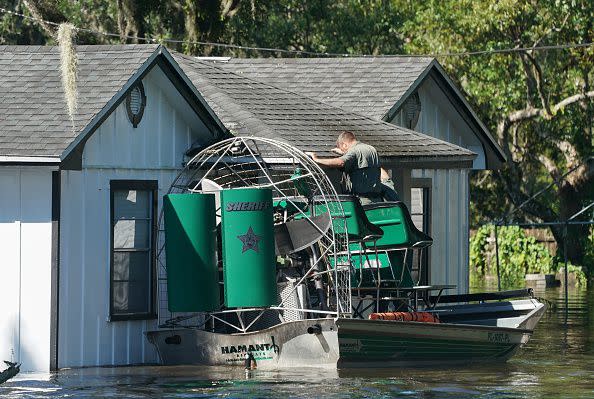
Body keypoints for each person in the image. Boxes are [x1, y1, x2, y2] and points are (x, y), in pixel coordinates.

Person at [307, 131, 383, 204]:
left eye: (343, 148)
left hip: (363, 201)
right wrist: (345, 153)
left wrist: (316, 159)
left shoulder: (354, 151)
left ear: (344, 144)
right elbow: (358, 158)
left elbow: (341, 162)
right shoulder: (371, 149)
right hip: (377, 199)